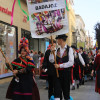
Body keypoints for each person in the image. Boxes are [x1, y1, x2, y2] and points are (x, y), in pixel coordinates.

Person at [49, 34, 74, 100]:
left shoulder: (69, 49)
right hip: (57, 74)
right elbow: (51, 60)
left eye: (58, 39)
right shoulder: (57, 50)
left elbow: (71, 62)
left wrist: (59, 65)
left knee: (66, 93)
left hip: (66, 74)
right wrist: (52, 52)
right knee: (57, 92)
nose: (57, 41)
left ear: (61, 40)